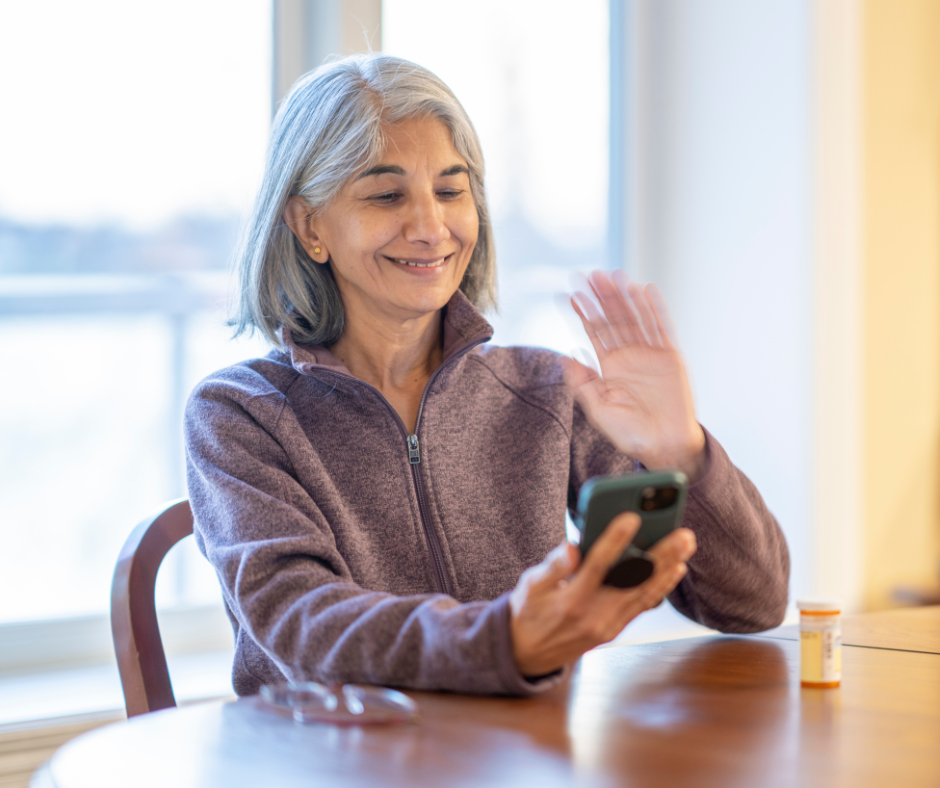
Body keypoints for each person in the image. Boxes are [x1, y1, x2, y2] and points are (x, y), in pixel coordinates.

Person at [185, 54, 789, 696]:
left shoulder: (541, 391)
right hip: (329, 763)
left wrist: (683, 453)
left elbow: (754, 604)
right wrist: (507, 639)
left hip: (519, 760)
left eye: (450, 190)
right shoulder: (238, 414)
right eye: (387, 195)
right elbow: (301, 624)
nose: (430, 227)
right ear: (309, 227)